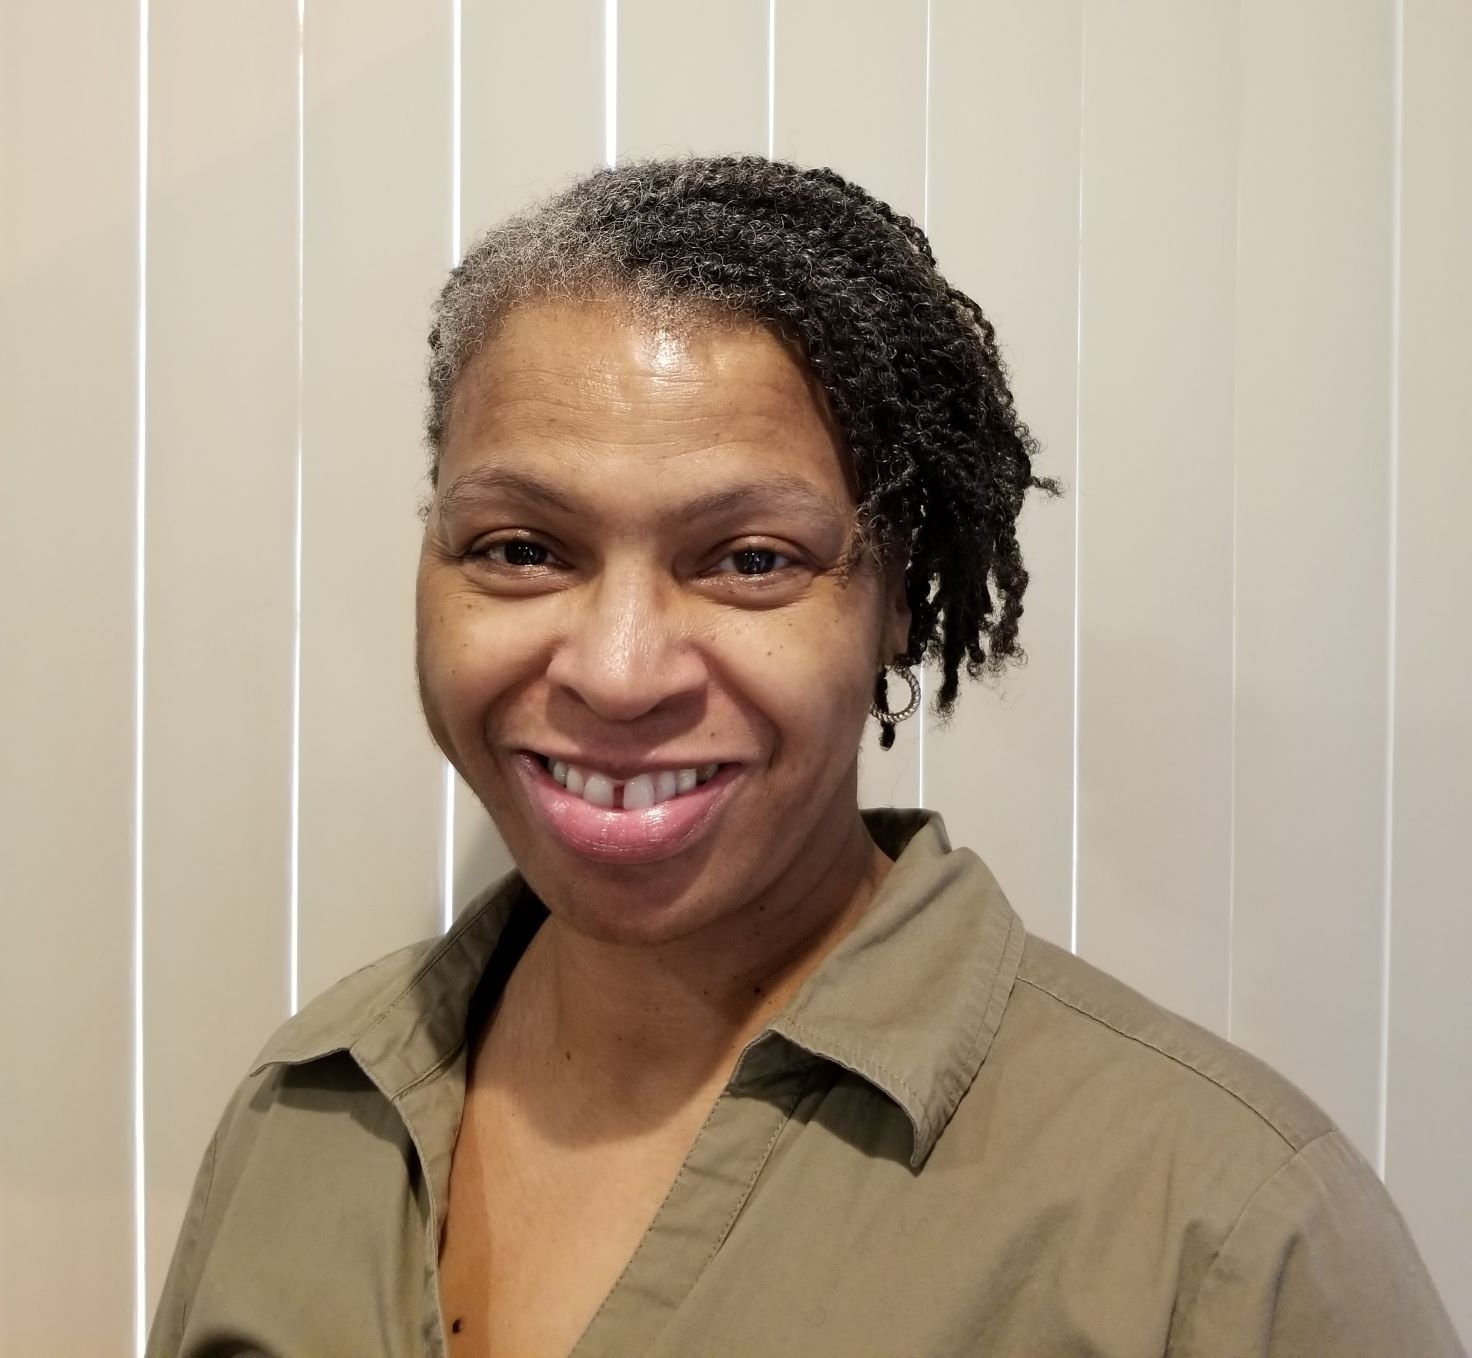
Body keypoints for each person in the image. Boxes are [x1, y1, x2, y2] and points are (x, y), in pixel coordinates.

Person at [148, 156, 1463, 1358]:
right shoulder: (307, 1120)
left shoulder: (1214, 1232)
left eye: (751, 559)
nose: (616, 668)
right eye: (522, 547)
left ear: (895, 599)